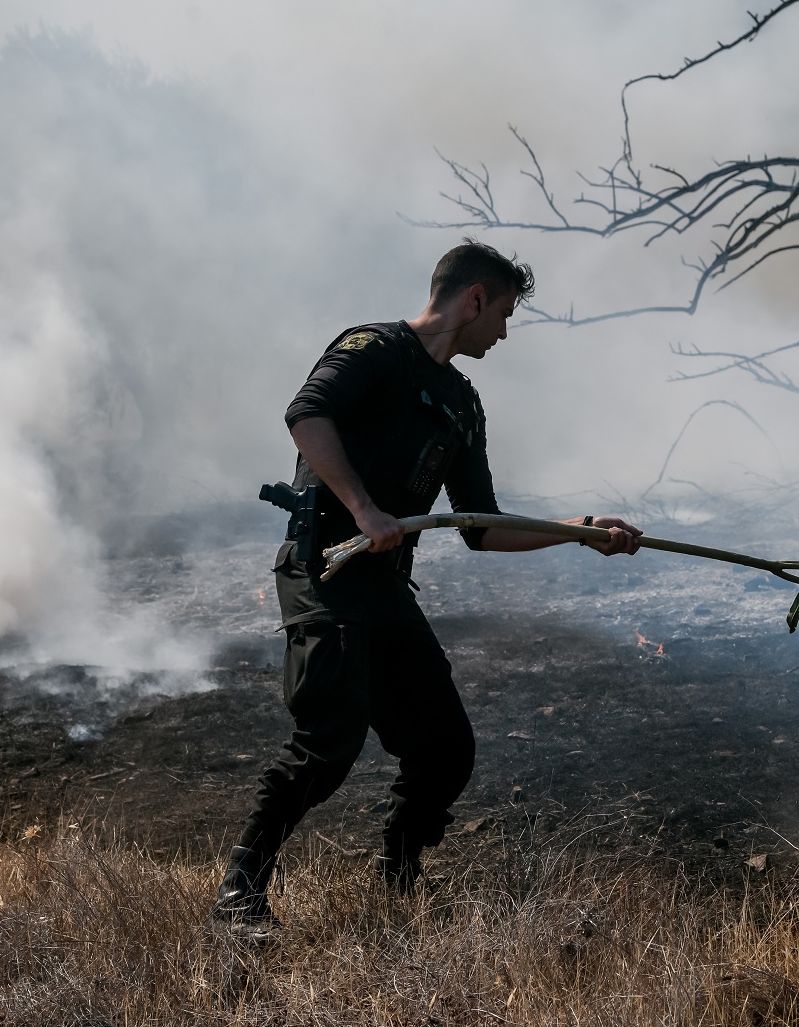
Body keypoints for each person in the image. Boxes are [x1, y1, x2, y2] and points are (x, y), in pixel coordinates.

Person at [211, 240, 642, 935]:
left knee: (445, 749)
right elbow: (307, 414)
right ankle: (240, 890)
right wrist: (363, 508)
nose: (503, 332)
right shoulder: (372, 348)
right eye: (502, 313)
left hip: (383, 584)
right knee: (332, 734)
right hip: (326, 565)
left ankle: (398, 884)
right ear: (474, 300)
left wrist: (582, 530)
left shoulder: (462, 403)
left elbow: (481, 526)